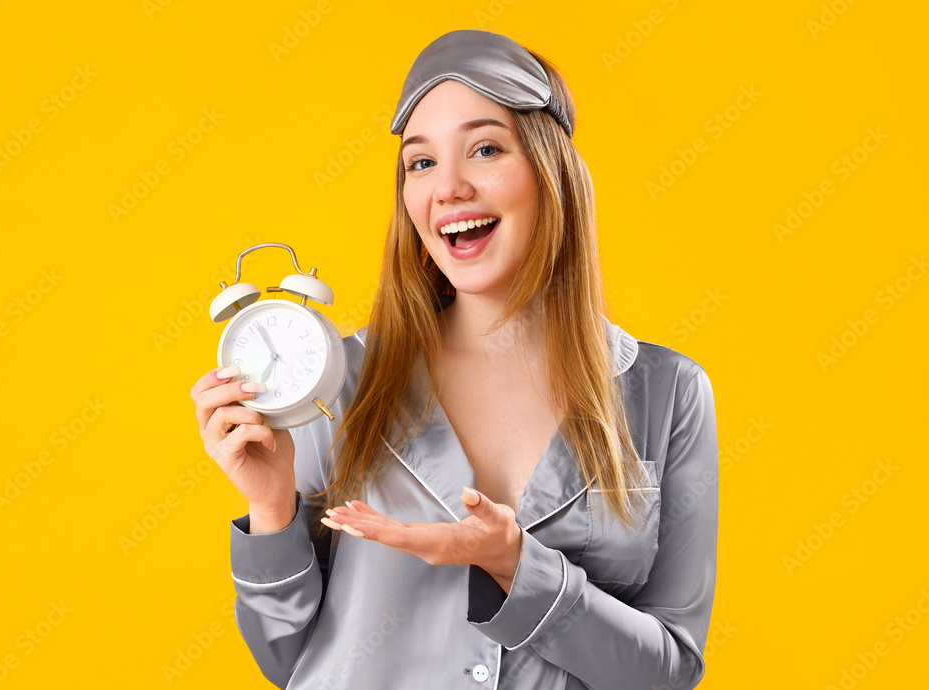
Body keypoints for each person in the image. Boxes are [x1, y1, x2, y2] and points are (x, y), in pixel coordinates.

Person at [190, 29, 718, 690]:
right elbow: (290, 662)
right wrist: (270, 510)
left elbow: (668, 671)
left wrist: (517, 566)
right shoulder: (338, 380)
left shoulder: (668, 393)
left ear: (549, 170)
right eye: (421, 163)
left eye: (486, 148)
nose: (448, 189)